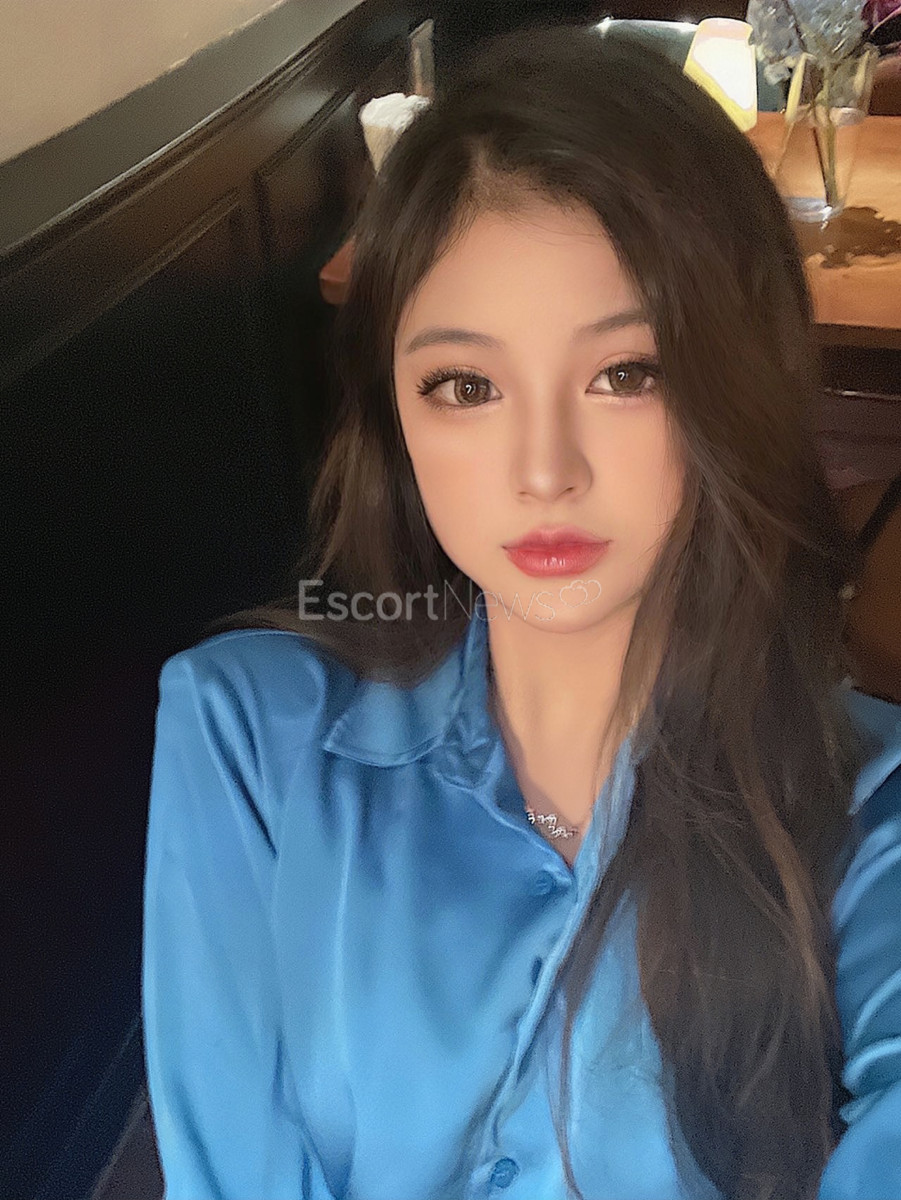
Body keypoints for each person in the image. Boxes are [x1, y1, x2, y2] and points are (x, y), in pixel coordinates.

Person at [141, 22, 901, 1200]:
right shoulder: (245, 737)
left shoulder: (863, 801)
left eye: (627, 373)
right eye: (466, 385)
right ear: (395, 416)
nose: (544, 471)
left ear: (734, 380)